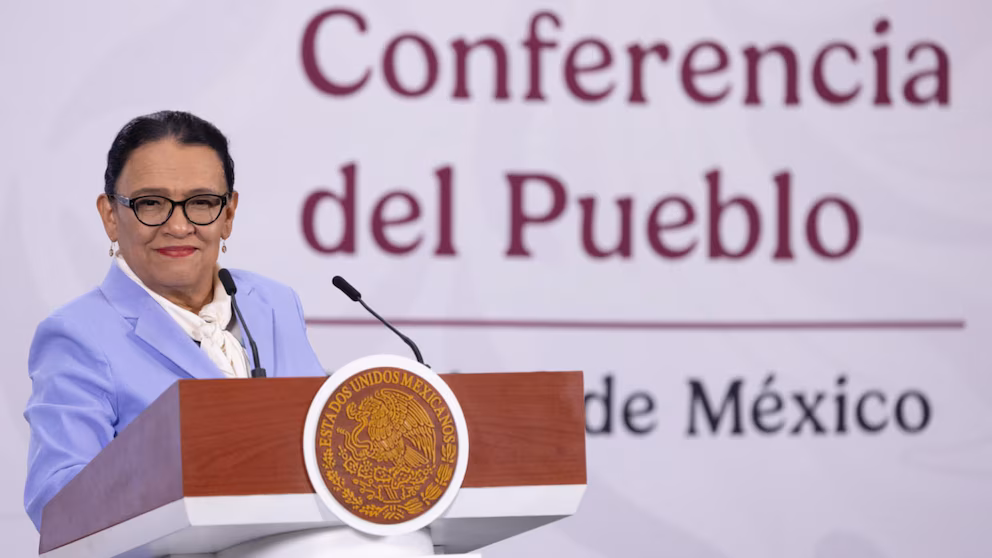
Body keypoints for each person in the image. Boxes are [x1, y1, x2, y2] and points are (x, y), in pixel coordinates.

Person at [22, 111, 326, 530]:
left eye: (201, 202)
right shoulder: (77, 334)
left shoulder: (274, 303)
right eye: (151, 203)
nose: (179, 226)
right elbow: (57, 505)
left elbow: (322, 444)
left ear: (228, 214)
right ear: (110, 215)